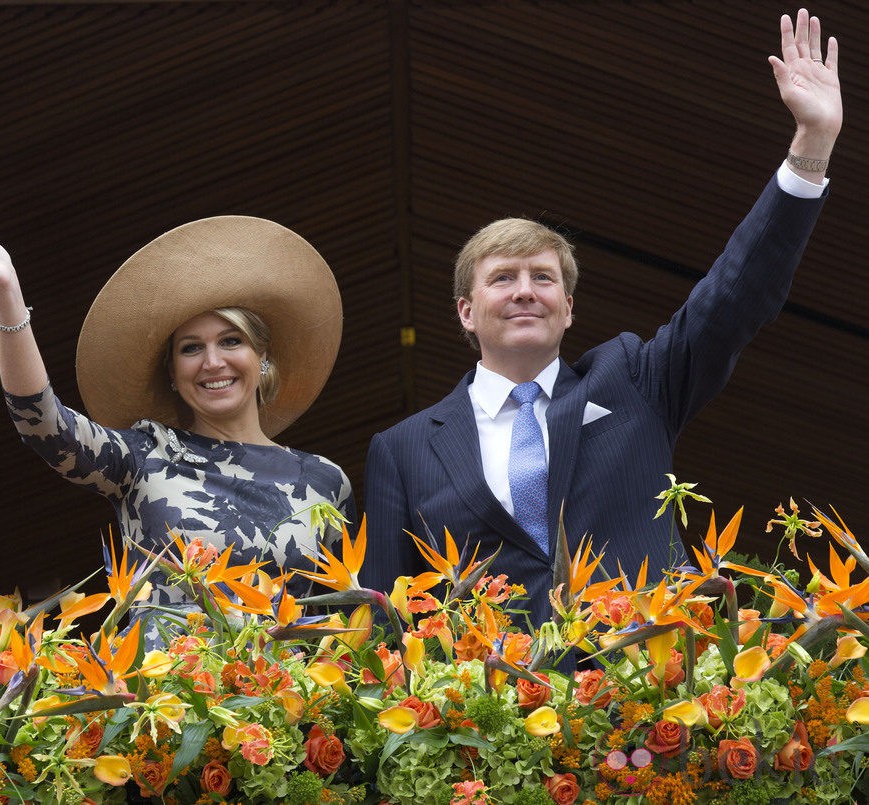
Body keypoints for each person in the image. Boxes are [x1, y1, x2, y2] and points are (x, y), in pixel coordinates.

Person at [360, 9, 842, 628]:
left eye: (544, 278)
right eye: (502, 279)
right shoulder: (402, 449)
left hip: (640, 700)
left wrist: (811, 148)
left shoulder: (635, 381)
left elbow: (731, 298)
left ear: (569, 309)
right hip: (481, 715)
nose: (525, 292)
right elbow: (377, 618)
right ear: (466, 312)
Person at [0, 214, 355, 641]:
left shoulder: (325, 481)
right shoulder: (144, 456)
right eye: (191, 348)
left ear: (263, 358)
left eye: (231, 341)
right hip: (165, 703)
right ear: (173, 375)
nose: (213, 362)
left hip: (285, 705)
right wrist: (6, 292)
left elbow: (350, 622)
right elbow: (42, 422)